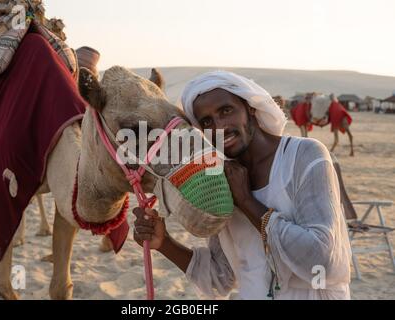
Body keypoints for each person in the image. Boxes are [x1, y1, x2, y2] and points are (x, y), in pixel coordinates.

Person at [133, 71, 352, 300]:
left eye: (225, 111)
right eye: (207, 121)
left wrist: (247, 202)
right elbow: (222, 276)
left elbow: (321, 261)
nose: (219, 127)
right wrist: (164, 243)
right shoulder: (222, 178)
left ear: (250, 108)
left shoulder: (304, 155)